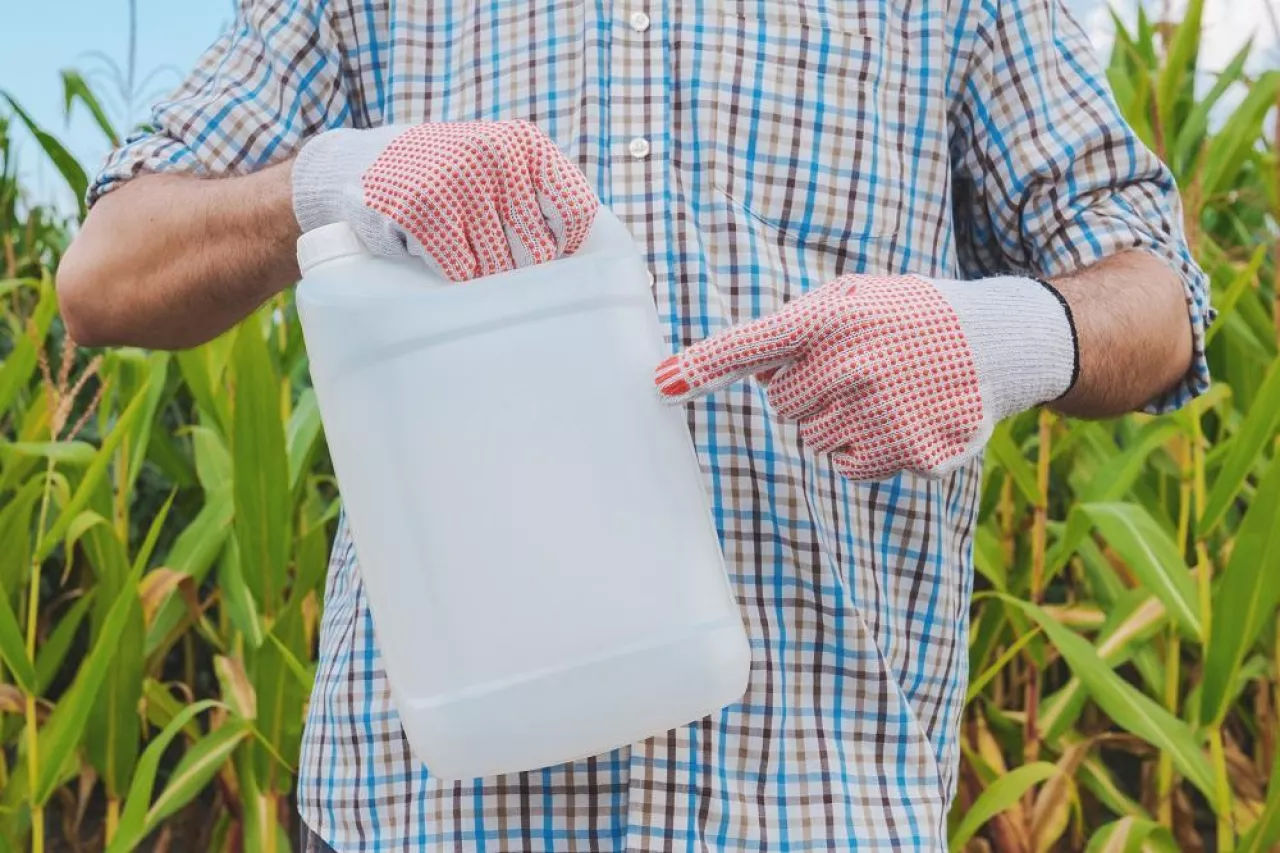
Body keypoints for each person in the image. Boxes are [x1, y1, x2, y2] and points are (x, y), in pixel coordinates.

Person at [57, 0, 1211, 850]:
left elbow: (1157, 292)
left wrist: (1005, 334)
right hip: (419, 814)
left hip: (816, 805)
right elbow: (106, 270)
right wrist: (327, 177)